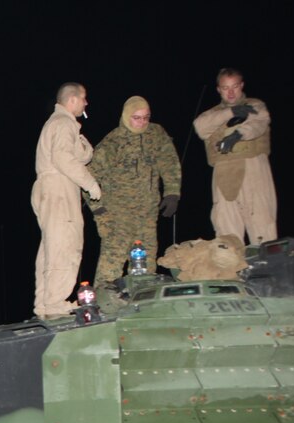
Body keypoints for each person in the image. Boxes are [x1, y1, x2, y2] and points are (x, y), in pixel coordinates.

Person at [87, 96, 182, 284]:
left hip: (147, 213)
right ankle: (104, 305)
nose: (142, 123)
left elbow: (169, 163)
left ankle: (142, 305)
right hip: (118, 215)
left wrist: (172, 192)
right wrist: (99, 210)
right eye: (136, 118)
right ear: (126, 116)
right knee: (111, 265)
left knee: (145, 264)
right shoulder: (113, 143)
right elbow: (88, 179)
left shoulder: (156, 134)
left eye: (146, 117)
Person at [31, 83, 102, 319]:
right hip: (59, 188)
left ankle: (45, 303)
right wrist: (90, 184)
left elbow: (80, 155)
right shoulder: (62, 124)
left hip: (51, 188)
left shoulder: (60, 124)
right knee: (64, 244)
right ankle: (54, 303)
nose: (86, 103)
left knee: (51, 247)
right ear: (72, 100)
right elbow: (63, 158)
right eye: (83, 98)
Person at [193, 68, 276, 246]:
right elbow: (200, 127)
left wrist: (238, 134)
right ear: (218, 90)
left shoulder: (255, 105)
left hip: (254, 169)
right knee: (226, 230)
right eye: (225, 88)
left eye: (235, 86)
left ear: (242, 86)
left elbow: (258, 123)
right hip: (224, 173)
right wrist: (231, 112)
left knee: (263, 223)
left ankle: (266, 270)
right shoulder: (212, 114)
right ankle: (231, 271)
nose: (230, 92)